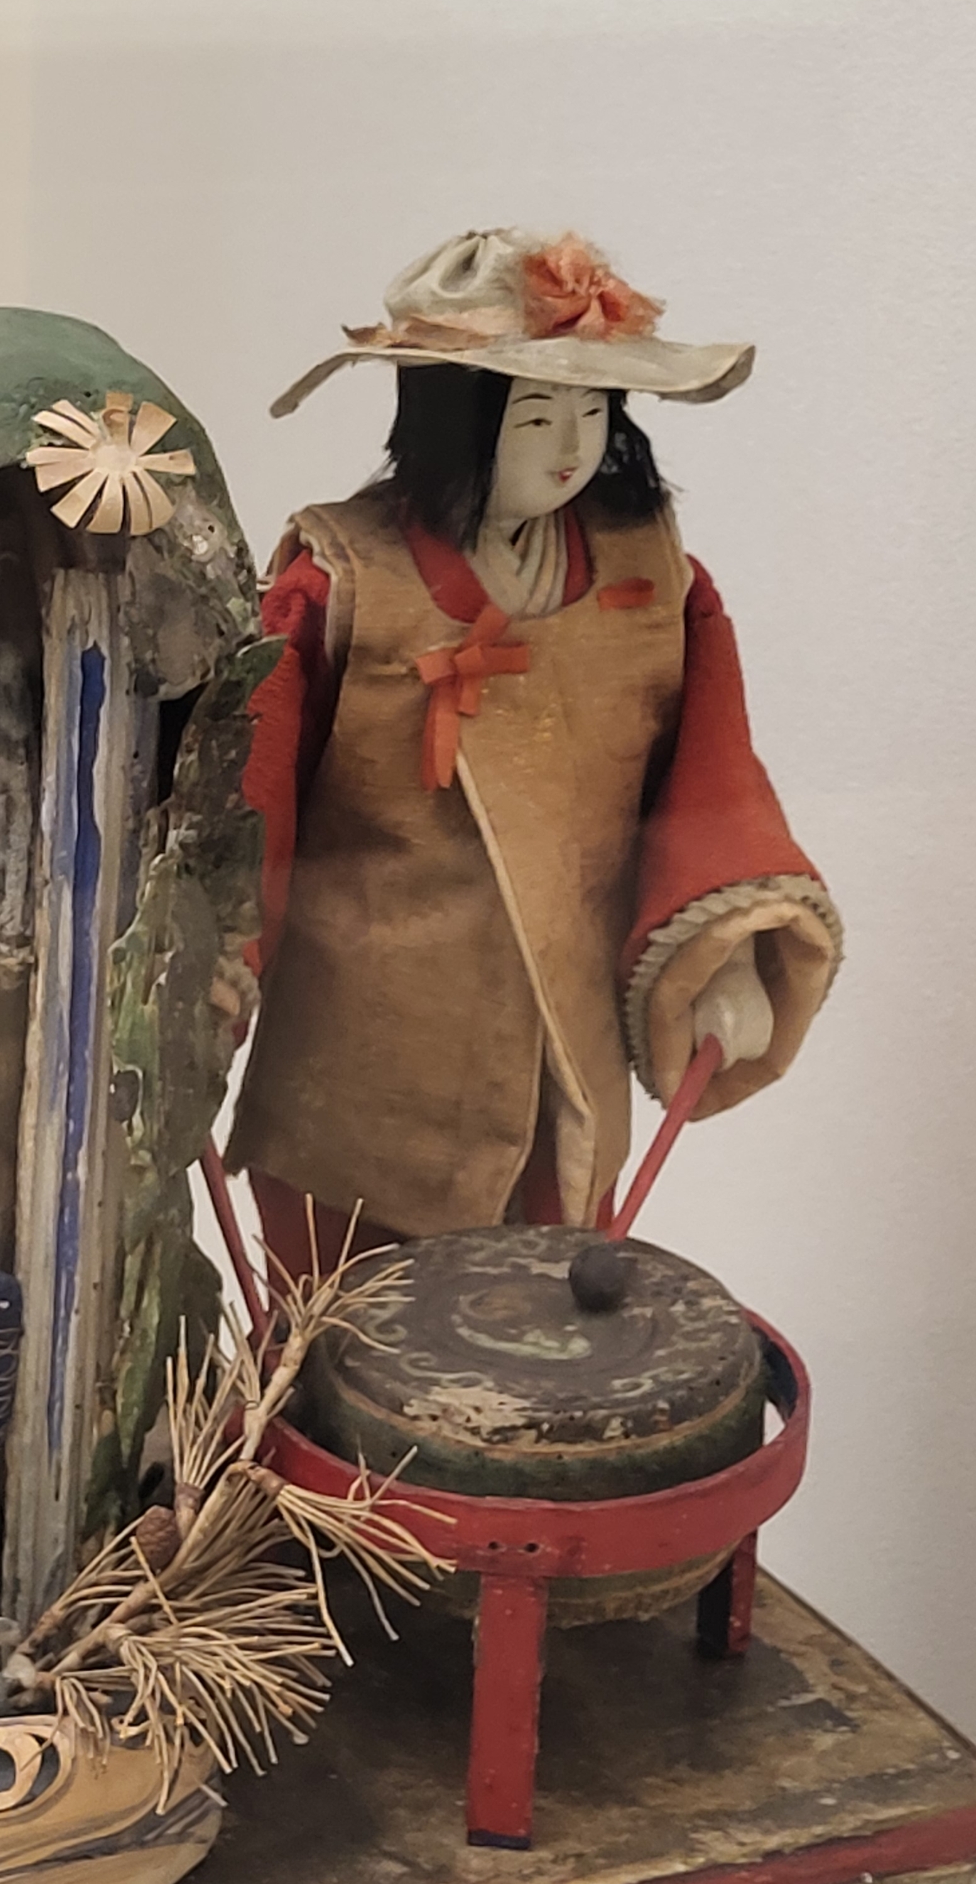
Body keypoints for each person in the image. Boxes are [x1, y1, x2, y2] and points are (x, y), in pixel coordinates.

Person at [226, 227, 842, 1279]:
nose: (570, 447)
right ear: (453, 420)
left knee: (546, 1323)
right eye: (537, 414)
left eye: (593, 412)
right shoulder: (341, 584)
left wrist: (725, 956)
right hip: (369, 1052)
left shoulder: (658, 583)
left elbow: (711, 782)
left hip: (566, 1050)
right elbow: (251, 802)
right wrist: (218, 969)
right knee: (347, 1332)